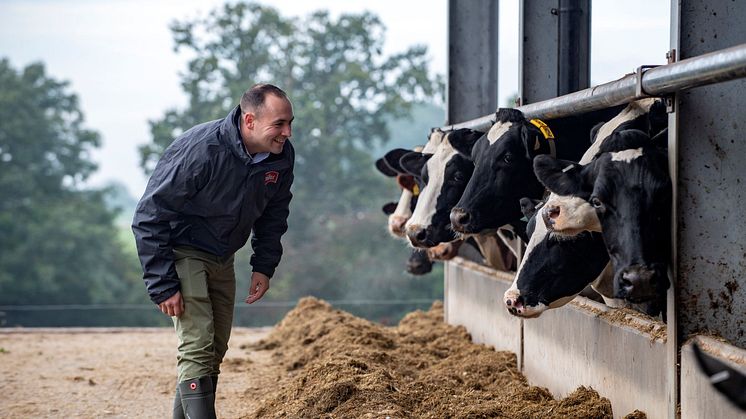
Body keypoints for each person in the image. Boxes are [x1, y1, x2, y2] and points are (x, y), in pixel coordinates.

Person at [132, 83, 294, 418]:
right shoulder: (202, 150)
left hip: (224, 256)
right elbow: (149, 216)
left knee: (214, 350)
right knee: (197, 345)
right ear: (249, 121)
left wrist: (263, 266)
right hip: (183, 250)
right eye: (278, 124)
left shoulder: (281, 157)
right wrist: (163, 284)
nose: (287, 132)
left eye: (290, 122)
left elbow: (274, 215)